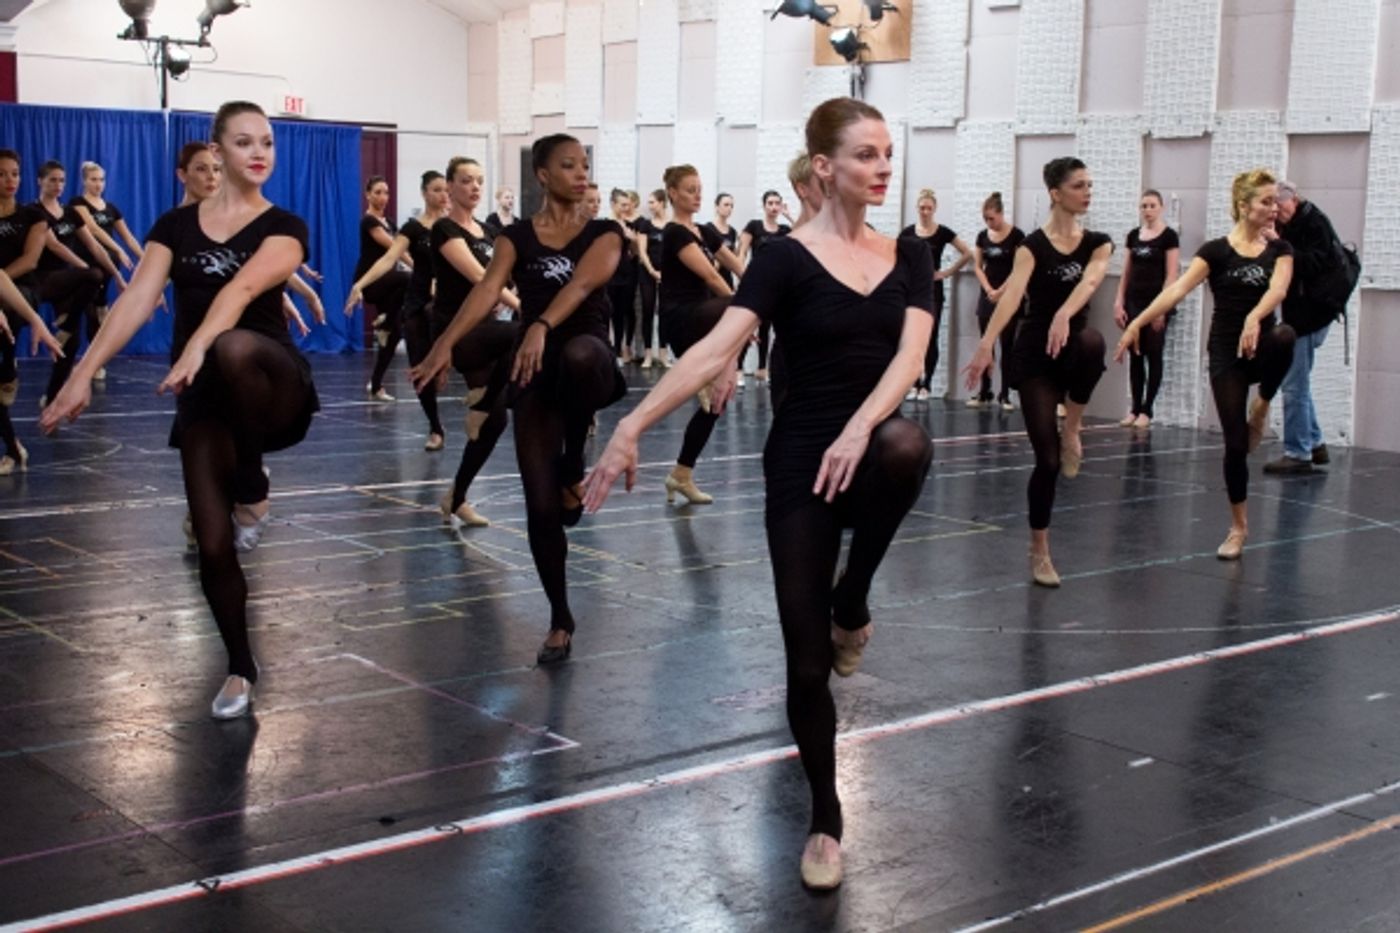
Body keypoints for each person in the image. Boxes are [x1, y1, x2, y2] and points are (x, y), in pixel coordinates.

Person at [584, 98, 934, 891]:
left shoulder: (908, 254)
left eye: (889, 153)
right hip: (800, 463)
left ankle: (855, 597)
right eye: (868, 155)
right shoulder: (782, 257)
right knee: (807, 666)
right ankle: (825, 814)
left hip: (870, 448)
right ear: (824, 168)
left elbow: (910, 357)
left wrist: (859, 428)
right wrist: (632, 423)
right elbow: (714, 347)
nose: (884, 167)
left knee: (907, 442)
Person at [42, 101, 321, 719]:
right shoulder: (174, 226)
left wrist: (196, 343)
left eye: (268, 143)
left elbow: (243, 290)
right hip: (205, 398)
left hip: (270, 383)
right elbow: (139, 297)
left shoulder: (285, 225)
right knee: (214, 542)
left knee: (231, 345)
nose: (259, 153)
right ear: (216, 153)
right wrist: (81, 375)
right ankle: (240, 667)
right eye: (244, 142)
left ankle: (253, 477)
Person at [412, 134, 627, 665]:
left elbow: (579, 286)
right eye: (568, 166)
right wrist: (443, 346)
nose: (580, 174)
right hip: (535, 373)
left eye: (585, 165)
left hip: (588, 358)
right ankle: (559, 616)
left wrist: (539, 325)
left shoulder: (604, 231)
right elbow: (486, 290)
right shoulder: (515, 236)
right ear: (542, 175)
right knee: (539, 506)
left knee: (576, 354)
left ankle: (573, 458)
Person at [1117, 169, 1295, 559]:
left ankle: (1262, 403)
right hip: (1226, 352)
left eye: (1275, 200)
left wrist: (1255, 317)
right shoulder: (1215, 251)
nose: (1274, 207)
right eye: (1266, 201)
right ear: (1244, 205)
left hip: (1262, 343)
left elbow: (1278, 289)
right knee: (1234, 445)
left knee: (1285, 336)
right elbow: (1176, 289)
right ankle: (1238, 527)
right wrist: (1137, 322)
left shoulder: (1281, 250)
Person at [963, 157, 1113, 587]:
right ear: (1055, 193)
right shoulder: (1031, 246)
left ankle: (1075, 429)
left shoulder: (1098, 242)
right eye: (1079, 185)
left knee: (1092, 342)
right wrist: (986, 344)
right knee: (1046, 461)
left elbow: (1089, 283)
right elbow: (1010, 298)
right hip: (1035, 354)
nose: (1088, 192)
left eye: (1090, 184)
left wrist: (1065, 313)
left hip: (1072, 346)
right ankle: (1040, 549)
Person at [429, 156, 521, 529]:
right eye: (466, 180)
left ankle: (457, 496)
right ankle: (480, 402)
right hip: (458, 332)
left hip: (487, 335)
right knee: (522, 332)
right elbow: (483, 280)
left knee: (494, 423)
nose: (475, 187)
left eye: (479, 180)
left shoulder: (488, 231)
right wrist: (522, 306)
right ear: (449, 187)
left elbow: (507, 276)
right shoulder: (444, 230)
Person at [657, 164, 744, 506]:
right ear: (674, 193)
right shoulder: (675, 233)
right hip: (682, 319)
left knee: (714, 405)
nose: (697, 195)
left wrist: (762, 288)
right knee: (736, 307)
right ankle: (722, 367)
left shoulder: (704, 229)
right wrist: (742, 313)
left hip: (707, 318)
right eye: (690, 189)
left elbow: (735, 265)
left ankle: (681, 474)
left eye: (699, 188)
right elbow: (710, 276)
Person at [347, 169, 451, 450]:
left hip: (446, 302)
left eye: (446, 190)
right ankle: (435, 428)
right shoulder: (411, 228)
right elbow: (391, 255)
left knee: (398, 342)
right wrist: (359, 285)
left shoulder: (455, 227)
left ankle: (387, 341)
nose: (443, 195)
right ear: (424, 193)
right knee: (420, 367)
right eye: (436, 190)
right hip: (414, 301)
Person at [1264, 180, 1343, 474]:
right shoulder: (1297, 222)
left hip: (1311, 314)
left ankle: (1297, 452)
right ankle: (1315, 442)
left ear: (1293, 199)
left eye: (1280, 205)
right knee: (1299, 380)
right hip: (1306, 312)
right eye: (1272, 206)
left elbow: (1312, 264)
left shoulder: (1313, 223)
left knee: (1293, 383)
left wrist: (1279, 245)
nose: (1276, 211)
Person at [32, 161, 124, 406]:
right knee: (92, 274)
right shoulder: (34, 211)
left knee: (70, 345)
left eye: (61, 180)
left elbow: (95, 246)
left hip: (65, 281)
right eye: (52, 180)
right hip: (41, 278)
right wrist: (85, 269)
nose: (58, 185)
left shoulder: (71, 213)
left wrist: (117, 276)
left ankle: (51, 397)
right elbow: (54, 245)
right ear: (40, 181)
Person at [0, 147, 57, 472]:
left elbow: (31, 260)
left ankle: (9, 363)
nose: (10, 180)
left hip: (21, 291)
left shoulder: (32, 217)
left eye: (15, 173)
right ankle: (13, 448)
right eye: (2, 174)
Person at [71, 160, 147, 382]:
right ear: (84, 180)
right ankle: (90, 363)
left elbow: (128, 236)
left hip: (107, 267)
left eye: (101, 180)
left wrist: (145, 258)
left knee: (101, 313)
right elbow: (93, 230)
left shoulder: (112, 208)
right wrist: (119, 251)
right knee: (90, 312)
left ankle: (96, 360)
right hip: (87, 265)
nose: (98, 184)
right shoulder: (77, 204)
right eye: (93, 180)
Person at [1113, 189, 1180, 428]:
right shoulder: (1133, 236)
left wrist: (1161, 309)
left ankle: (1147, 410)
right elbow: (1126, 272)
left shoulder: (1169, 236)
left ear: (1161, 208)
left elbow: (1171, 275)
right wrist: (1119, 301)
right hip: (1134, 302)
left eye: (1152, 206)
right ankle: (1134, 408)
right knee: (1136, 355)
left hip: (1156, 302)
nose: (1148, 210)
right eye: (1144, 206)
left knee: (1154, 354)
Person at [900, 188, 971, 402]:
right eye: (922, 207)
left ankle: (926, 384)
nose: (925, 211)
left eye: (929, 208)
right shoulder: (908, 233)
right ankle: (913, 382)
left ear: (935, 209)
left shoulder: (942, 232)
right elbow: (897, 258)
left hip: (933, 291)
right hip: (912, 291)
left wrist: (947, 272)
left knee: (930, 338)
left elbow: (967, 253)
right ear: (917, 208)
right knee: (912, 338)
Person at [356, 176, 410, 402]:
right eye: (377, 192)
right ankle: (385, 320)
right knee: (411, 279)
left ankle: (376, 384)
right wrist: (419, 268)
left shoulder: (390, 222)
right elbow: (394, 247)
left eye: (386, 192)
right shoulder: (369, 222)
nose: (382, 197)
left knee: (394, 335)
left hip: (390, 284)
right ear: (368, 195)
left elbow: (405, 243)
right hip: (372, 281)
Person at [969, 192, 1024, 410]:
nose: (989, 223)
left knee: (1007, 345)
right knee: (986, 344)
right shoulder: (982, 236)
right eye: (985, 219)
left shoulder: (1017, 236)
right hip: (988, 293)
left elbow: (1020, 268)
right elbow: (977, 266)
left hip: (1008, 293)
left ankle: (1005, 393)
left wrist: (1001, 291)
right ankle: (985, 391)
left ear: (1001, 214)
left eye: (992, 218)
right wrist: (989, 289)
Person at [736, 190, 791, 383]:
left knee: (767, 329)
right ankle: (738, 369)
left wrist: (789, 215)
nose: (774, 207)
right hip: (755, 282)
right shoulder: (754, 226)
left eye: (777, 203)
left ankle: (762, 368)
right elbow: (741, 253)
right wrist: (741, 277)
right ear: (764, 205)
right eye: (770, 203)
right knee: (747, 327)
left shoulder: (785, 230)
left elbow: (805, 233)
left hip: (776, 286)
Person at [632, 189, 668, 369]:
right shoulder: (645, 225)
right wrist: (653, 271)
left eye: (653, 202)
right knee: (647, 310)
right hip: (648, 273)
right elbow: (642, 252)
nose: (650, 205)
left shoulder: (671, 225)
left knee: (665, 312)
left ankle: (663, 353)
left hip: (667, 275)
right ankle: (648, 354)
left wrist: (665, 272)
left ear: (662, 202)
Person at [606, 187, 639, 364]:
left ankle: (619, 350)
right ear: (613, 204)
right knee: (608, 311)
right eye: (622, 205)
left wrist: (632, 239)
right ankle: (608, 349)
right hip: (609, 273)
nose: (626, 208)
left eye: (628, 205)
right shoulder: (605, 224)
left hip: (626, 272)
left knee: (622, 312)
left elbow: (634, 253)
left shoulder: (628, 225)